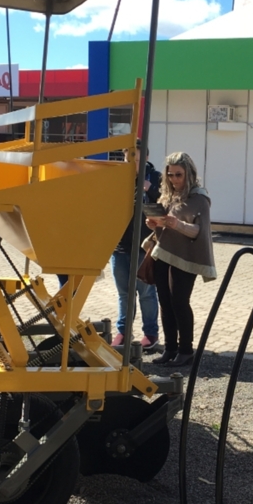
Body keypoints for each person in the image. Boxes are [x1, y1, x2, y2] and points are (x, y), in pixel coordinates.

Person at [145, 151, 216, 368]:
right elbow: (165, 225)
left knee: (179, 302)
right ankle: (170, 349)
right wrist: (154, 225)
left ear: (189, 174)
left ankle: (186, 351)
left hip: (186, 258)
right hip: (163, 254)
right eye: (171, 175)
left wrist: (177, 225)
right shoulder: (168, 196)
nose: (174, 179)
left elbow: (199, 231)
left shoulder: (199, 198)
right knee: (165, 303)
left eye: (179, 175)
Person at [110, 147, 162, 352]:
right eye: (129, 159)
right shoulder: (120, 177)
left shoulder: (157, 178)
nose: (134, 163)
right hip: (120, 245)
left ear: (147, 157)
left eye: (138, 159)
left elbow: (164, 205)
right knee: (124, 293)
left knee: (147, 292)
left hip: (144, 245)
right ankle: (123, 331)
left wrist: (150, 188)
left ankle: (151, 334)